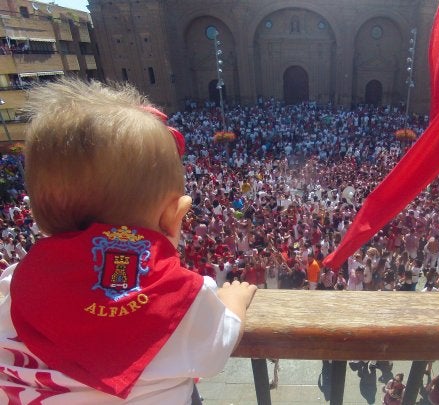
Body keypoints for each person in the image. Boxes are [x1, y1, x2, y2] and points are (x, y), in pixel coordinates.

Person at [0, 79, 257, 403]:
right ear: (174, 216)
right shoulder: (186, 298)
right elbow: (218, 346)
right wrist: (234, 301)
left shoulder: (13, 286)